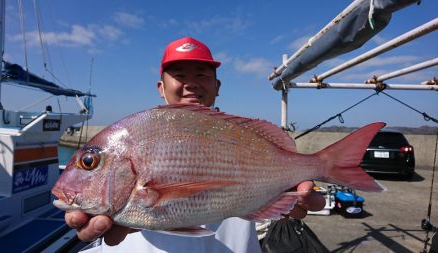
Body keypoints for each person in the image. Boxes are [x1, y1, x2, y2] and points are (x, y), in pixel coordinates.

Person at [65, 37, 326, 252]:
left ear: (217, 85)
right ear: (161, 88)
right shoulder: (135, 134)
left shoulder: (242, 135)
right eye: (179, 75)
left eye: (201, 74)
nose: (191, 83)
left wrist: (289, 187)